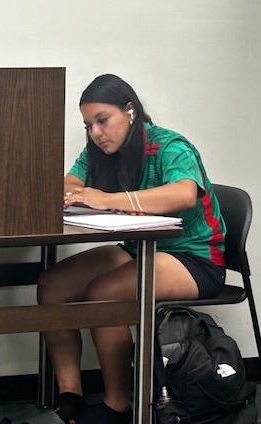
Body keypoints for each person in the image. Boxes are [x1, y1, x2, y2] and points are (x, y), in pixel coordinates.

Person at [34, 74, 225, 424]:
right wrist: (76, 193)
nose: (95, 132)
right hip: (142, 249)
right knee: (53, 284)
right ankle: (70, 397)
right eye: (88, 125)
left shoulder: (169, 145)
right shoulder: (101, 149)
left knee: (104, 293)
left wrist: (108, 200)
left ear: (130, 111)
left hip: (194, 258)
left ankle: (118, 405)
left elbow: (183, 193)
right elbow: (71, 182)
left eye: (102, 121)